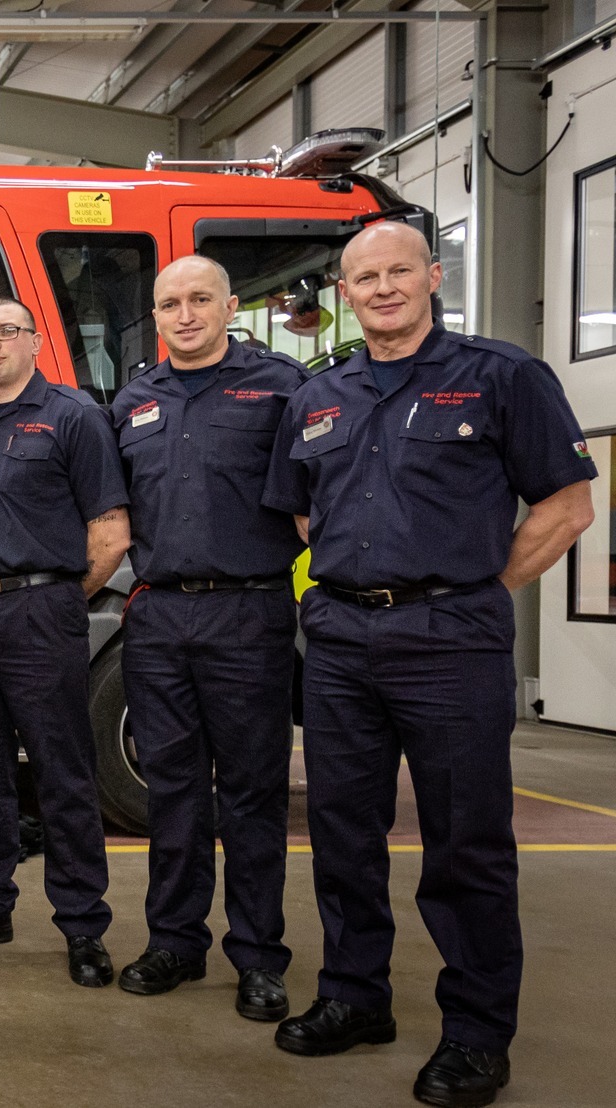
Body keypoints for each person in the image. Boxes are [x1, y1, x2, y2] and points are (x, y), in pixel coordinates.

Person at [263, 221, 595, 1108]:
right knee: (342, 834)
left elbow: (566, 509)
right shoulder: (318, 396)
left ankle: (478, 1034)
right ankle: (353, 997)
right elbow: (304, 515)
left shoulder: (502, 376)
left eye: (396, 271)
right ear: (346, 292)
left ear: (432, 277)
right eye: (363, 277)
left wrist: (475, 586)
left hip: (452, 641)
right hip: (336, 640)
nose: (381, 288)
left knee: (466, 846)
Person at [107, 257, 304, 1018]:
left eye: (198, 300)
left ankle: (258, 957)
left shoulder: (283, 390)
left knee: (253, 793)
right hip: (157, 616)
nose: (184, 315)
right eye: (168, 304)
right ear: (154, 317)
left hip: (249, 615)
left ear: (229, 305)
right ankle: (175, 942)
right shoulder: (133, 401)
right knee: (174, 792)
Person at [0, 297, 129, 989]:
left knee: (62, 774)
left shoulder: (75, 418)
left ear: (34, 341)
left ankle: (82, 926)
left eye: (6, 332)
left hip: (42, 609)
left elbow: (109, 533)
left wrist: (60, 601)